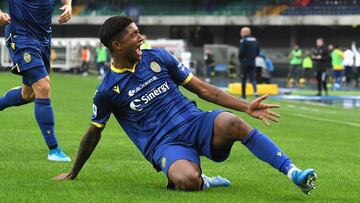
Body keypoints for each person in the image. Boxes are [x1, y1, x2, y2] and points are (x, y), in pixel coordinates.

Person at [54, 16, 317, 195]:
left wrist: (246, 106)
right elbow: (94, 132)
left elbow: (203, 89)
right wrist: (73, 172)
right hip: (165, 144)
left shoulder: (159, 57)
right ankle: (204, 181)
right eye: (134, 35)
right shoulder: (107, 91)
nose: (141, 38)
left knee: (232, 122)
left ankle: (293, 173)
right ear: (117, 44)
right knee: (187, 181)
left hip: (195, 123)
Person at [0, 1, 72, 162]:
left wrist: (68, 5)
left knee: (29, 94)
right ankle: (54, 150)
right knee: (43, 86)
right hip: (21, 36)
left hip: (44, 38)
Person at [238, 27, 259, 99]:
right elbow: (257, 51)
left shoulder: (243, 40)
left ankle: (243, 95)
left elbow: (241, 52)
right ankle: (256, 94)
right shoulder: (255, 40)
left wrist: (241, 60)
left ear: (245, 32)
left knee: (243, 78)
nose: (241, 33)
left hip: (245, 62)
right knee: (253, 79)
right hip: (252, 61)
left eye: (241, 32)